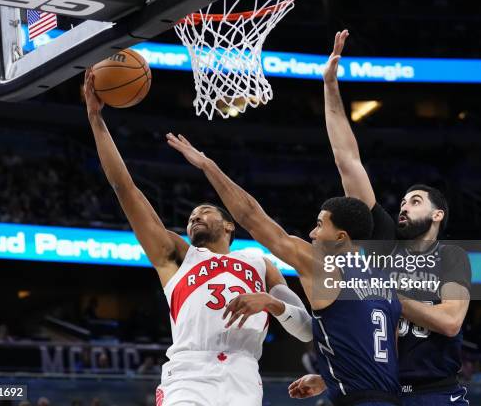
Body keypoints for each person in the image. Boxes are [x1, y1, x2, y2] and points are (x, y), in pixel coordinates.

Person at [83, 69, 311, 406]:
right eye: (191, 215)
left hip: (244, 376)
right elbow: (125, 189)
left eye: (205, 211)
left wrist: (272, 303)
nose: (194, 216)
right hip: (189, 374)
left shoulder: (259, 263)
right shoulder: (176, 256)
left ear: (229, 225)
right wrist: (95, 118)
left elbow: (305, 330)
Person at [167, 133, 401, 405]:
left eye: (320, 224)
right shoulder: (385, 286)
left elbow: (251, 218)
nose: (312, 233)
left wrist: (208, 166)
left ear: (341, 238)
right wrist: (329, 379)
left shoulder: (326, 267)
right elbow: (382, 356)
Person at [318, 30, 472, 405]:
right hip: (383, 392)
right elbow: (348, 160)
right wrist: (329, 86)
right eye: (402, 201)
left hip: (436, 392)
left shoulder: (451, 257)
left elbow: (450, 321)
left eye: (415, 201)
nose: (404, 206)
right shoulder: (384, 240)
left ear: (438, 214)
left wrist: (386, 294)